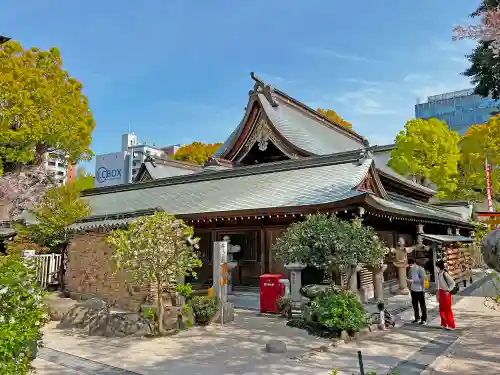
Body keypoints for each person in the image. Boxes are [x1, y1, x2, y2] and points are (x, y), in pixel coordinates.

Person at [436, 260, 456, 330]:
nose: (436, 268)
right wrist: (437, 293)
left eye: (436, 267)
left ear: (439, 267)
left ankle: (451, 324)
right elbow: (439, 285)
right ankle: (444, 323)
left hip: (446, 293)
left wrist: (448, 290)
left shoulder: (445, 274)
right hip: (441, 292)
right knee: (441, 309)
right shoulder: (439, 274)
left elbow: (453, 283)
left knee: (447, 309)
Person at [407, 258, 427, 325]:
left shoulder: (420, 269)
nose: (410, 266)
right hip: (413, 290)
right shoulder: (410, 270)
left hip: (420, 290)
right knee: (415, 305)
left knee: (422, 305)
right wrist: (409, 287)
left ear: (414, 263)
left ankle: (424, 319)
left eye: (411, 264)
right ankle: (417, 318)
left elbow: (424, 279)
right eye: (409, 264)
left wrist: (414, 281)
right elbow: (409, 278)